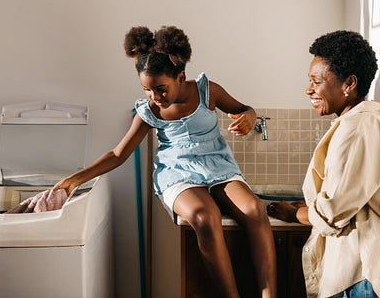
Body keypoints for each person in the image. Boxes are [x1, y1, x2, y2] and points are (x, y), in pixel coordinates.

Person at [54, 25, 277, 298]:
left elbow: (244, 109)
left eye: (161, 89)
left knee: (254, 209)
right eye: (147, 90)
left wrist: (250, 117)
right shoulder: (149, 111)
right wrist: (73, 180)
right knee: (205, 217)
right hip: (177, 175)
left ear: (181, 77)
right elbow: (117, 154)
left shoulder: (208, 91)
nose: (155, 98)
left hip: (219, 167)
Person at [267, 30, 380, 298]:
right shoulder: (354, 125)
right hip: (357, 273)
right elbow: (348, 194)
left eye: (316, 81)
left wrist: (294, 214)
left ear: (349, 83)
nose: (309, 89)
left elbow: (333, 209)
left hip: (365, 276)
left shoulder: (361, 127)